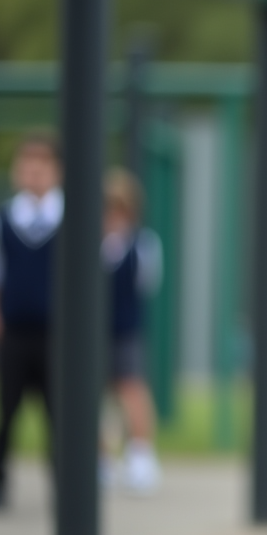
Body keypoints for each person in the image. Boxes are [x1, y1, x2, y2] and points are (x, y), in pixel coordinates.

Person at [0, 132, 63, 512]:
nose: (34, 172)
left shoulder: (72, 219)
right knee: (5, 413)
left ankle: (64, 488)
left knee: (59, 416)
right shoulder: (3, 220)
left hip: (57, 335)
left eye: (42, 165)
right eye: (27, 164)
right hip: (15, 332)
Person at [102, 167, 164, 494]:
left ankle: (140, 456)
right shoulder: (89, 241)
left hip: (125, 328)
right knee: (95, 396)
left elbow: (145, 284)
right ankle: (101, 459)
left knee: (132, 390)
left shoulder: (142, 243)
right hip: (94, 333)